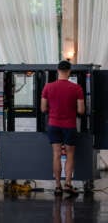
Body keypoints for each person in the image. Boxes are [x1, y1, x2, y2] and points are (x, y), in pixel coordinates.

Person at [41, 60, 85, 196]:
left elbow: (43, 109)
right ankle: (68, 184)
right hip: (69, 126)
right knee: (70, 155)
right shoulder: (77, 88)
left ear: (57, 71)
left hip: (53, 125)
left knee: (56, 155)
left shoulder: (48, 87)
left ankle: (58, 186)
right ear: (69, 71)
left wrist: (53, 110)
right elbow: (81, 110)